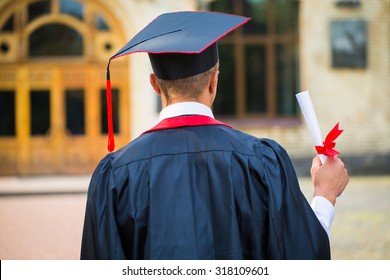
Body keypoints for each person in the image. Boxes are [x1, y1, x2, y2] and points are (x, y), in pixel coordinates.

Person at [80, 11, 349, 260]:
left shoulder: (116, 174)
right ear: (214, 81)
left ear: (155, 85)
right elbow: (300, 260)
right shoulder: (262, 161)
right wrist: (325, 194)